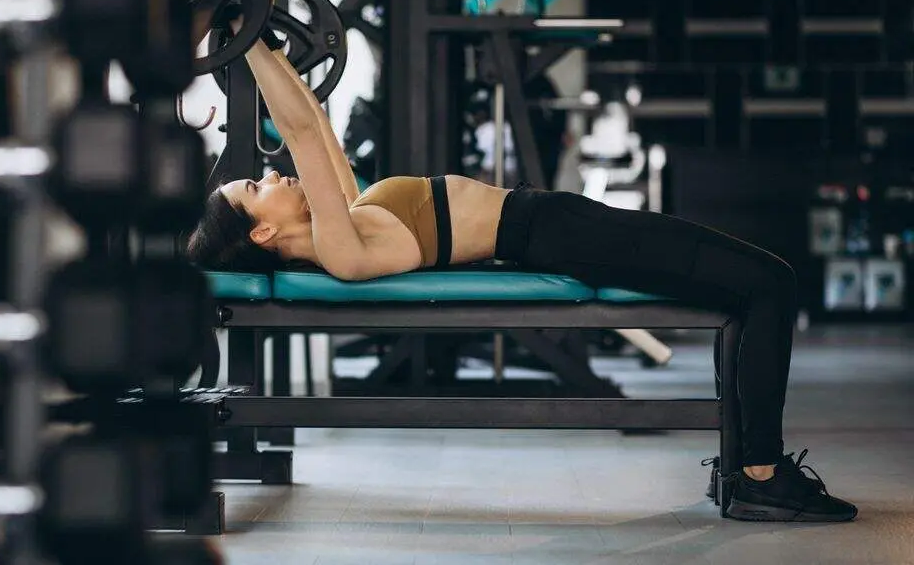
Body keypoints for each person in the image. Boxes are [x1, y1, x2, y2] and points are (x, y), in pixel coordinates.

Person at [185, 33, 858, 523]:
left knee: (752, 288)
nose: (271, 172)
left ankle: (751, 468)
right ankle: (761, 474)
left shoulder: (346, 219)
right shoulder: (341, 247)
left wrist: (259, 38)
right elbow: (300, 131)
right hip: (559, 236)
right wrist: (243, 40)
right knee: (770, 283)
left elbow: (315, 123)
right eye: (254, 185)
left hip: (558, 222)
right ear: (263, 233)